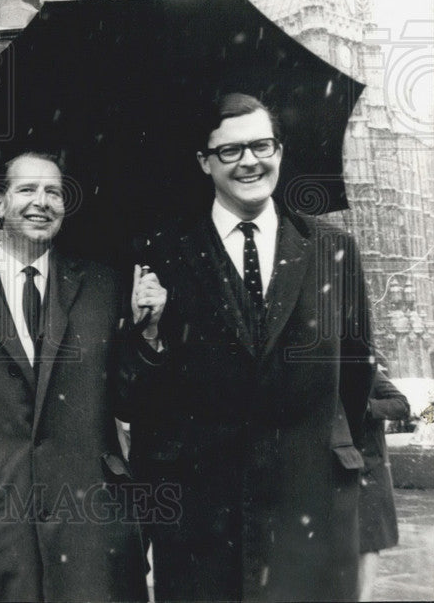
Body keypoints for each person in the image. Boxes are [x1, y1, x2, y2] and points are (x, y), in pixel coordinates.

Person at [118, 92, 375, 601]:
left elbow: (356, 379)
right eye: (230, 150)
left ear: (280, 150)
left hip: (308, 508)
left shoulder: (334, 250)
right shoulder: (163, 254)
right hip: (202, 522)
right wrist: (147, 334)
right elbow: (134, 401)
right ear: (205, 162)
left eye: (261, 145)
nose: (250, 161)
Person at [0, 151, 149, 603]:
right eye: (27, 189)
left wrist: (146, 335)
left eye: (53, 192)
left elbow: (131, 400)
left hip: (90, 531)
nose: (42, 201)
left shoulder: (105, 288)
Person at [358, 364, 409, 601]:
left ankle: (365, 597)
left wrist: (368, 407)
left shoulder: (367, 373)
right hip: (339, 468)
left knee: (369, 539)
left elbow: (402, 405)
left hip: (370, 467)